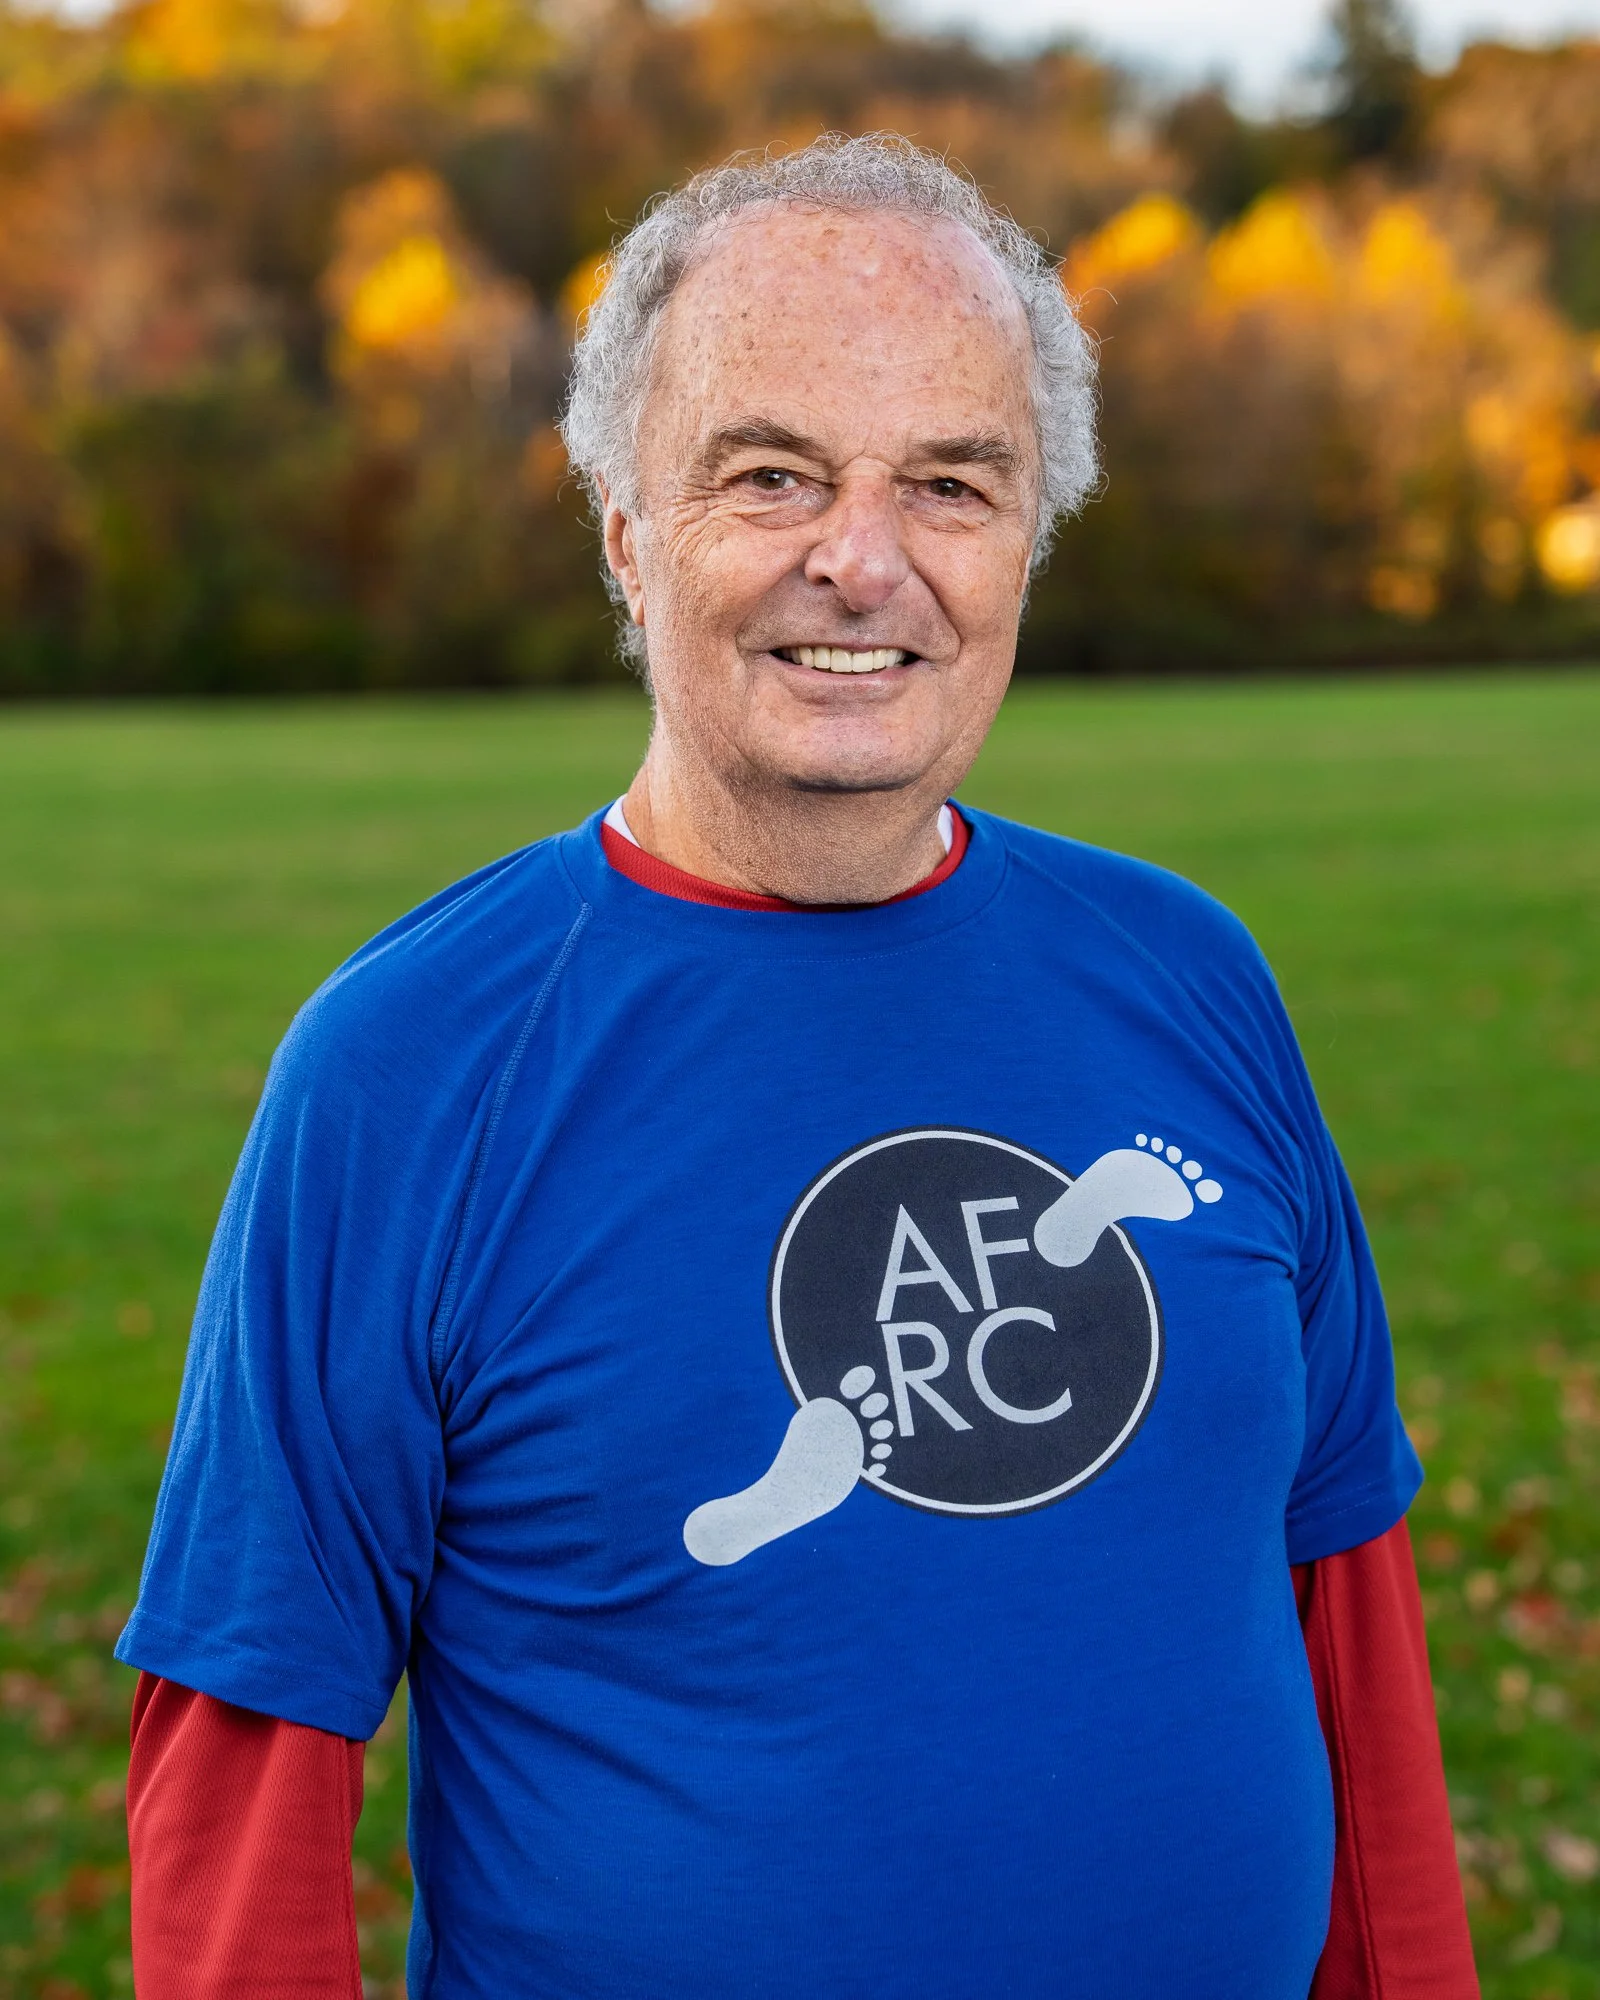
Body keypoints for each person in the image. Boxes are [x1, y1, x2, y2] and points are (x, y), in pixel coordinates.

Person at [118, 135, 1479, 1998]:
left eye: (951, 481)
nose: (866, 559)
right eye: (771, 476)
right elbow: (246, 1747)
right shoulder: (410, 1064)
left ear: (1030, 536)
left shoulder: (1193, 976)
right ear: (624, 528)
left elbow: (1348, 1598)